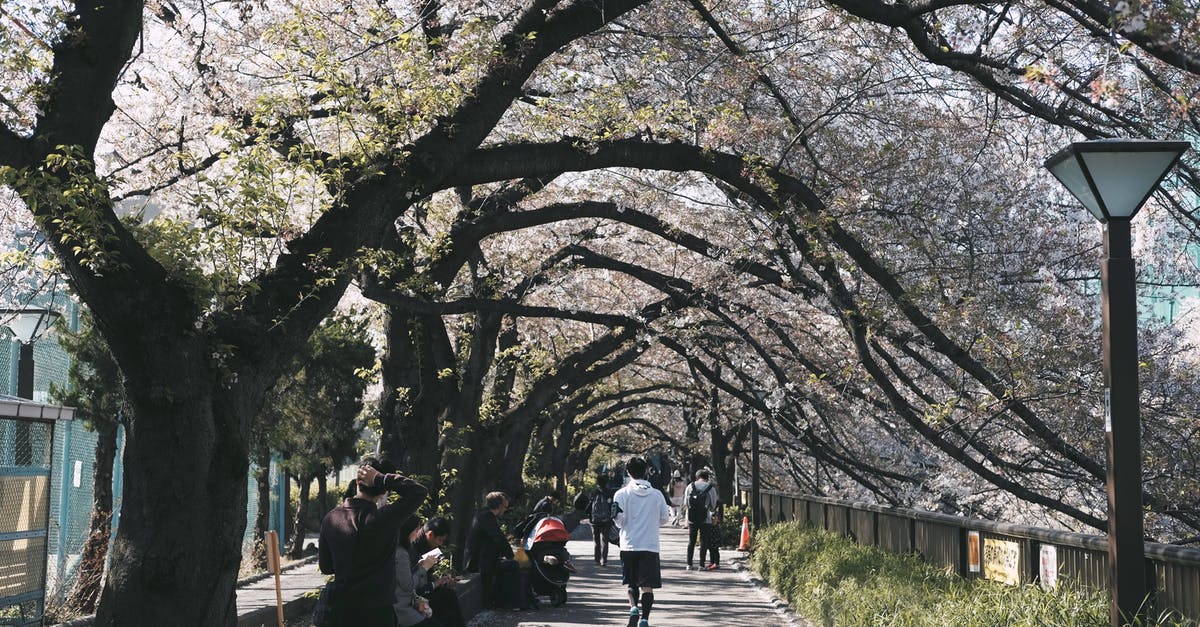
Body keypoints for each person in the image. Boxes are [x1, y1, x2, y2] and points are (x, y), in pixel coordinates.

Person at [319, 456, 428, 626]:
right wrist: (381, 478)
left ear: (356, 482)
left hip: (342, 610)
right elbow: (418, 492)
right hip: (378, 611)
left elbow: (326, 567)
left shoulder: (331, 518)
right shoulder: (385, 518)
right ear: (384, 491)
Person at [613, 457, 671, 627]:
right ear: (646, 471)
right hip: (650, 545)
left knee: (631, 582)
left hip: (628, 544)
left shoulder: (621, 494)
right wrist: (651, 522)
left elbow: (619, 520)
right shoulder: (657, 494)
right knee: (647, 585)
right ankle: (645, 619)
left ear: (628, 472)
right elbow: (664, 519)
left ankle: (633, 609)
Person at [408, 517, 466, 627]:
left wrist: (440, 581)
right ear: (430, 534)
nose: (440, 544)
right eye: (439, 540)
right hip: (414, 596)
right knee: (445, 608)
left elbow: (428, 577)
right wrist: (435, 583)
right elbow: (411, 585)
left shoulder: (426, 545)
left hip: (423, 590)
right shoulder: (412, 549)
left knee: (449, 597)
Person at [463, 491, 514, 609]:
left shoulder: (483, 514)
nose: (505, 510)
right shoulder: (486, 516)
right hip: (479, 560)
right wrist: (510, 555)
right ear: (500, 506)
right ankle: (488, 604)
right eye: (505, 507)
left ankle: (490, 602)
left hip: (481, 557)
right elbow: (497, 536)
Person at [396, 515, 443, 626]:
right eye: (416, 530)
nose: (417, 534)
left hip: (409, 602)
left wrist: (418, 567)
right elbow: (408, 585)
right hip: (401, 609)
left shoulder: (403, 549)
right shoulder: (400, 553)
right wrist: (424, 568)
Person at [682, 468, 720, 571]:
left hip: (692, 518)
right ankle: (701, 565)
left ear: (697, 477)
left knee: (691, 541)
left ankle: (689, 564)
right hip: (705, 519)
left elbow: (686, 503)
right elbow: (713, 506)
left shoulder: (690, 486)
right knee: (704, 542)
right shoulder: (710, 488)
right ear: (707, 478)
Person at [586, 471, 616, 566]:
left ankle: (597, 560)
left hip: (595, 520)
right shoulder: (609, 492)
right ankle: (604, 560)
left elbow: (589, 506)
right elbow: (612, 506)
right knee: (605, 540)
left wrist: (589, 516)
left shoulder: (594, 492)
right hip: (606, 520)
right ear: (606, 482)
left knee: (596, 541)